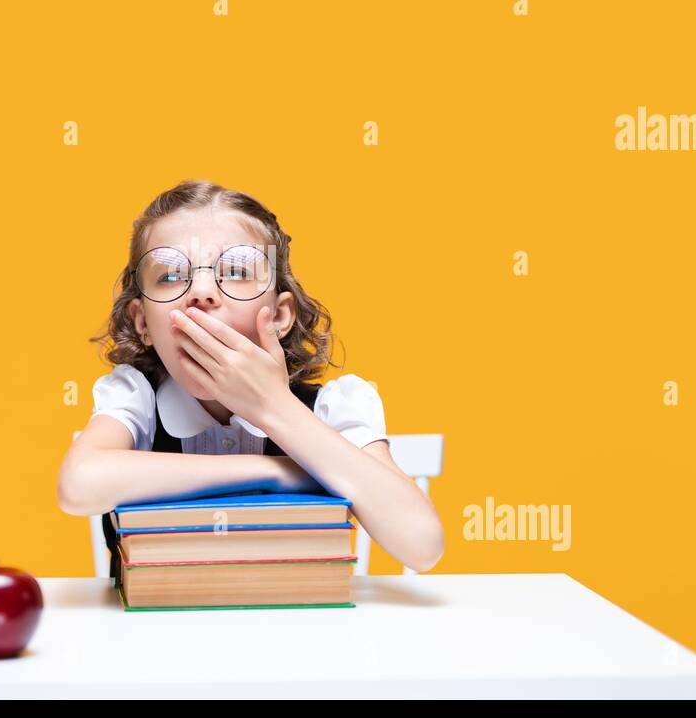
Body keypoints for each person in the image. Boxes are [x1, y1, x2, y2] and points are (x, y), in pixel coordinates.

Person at [57, 179, 444, 580]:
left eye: (237, 271)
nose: (202, 292)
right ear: (143, 323)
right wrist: (276, 472)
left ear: (278, 315)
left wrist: (272, 406)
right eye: (171, 275)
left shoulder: (334, 406)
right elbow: (78, 485)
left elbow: (422, 545)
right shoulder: (134, 398)